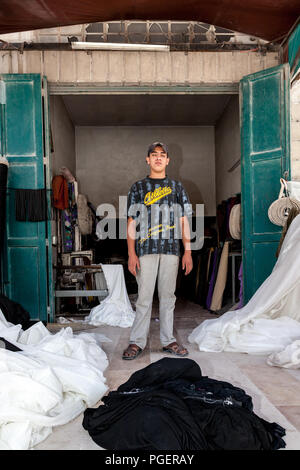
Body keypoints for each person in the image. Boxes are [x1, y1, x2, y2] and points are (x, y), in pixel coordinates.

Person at [123, 141, 193, 360]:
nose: (158, 158)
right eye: (154, 155)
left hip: (171, 250)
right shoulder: (138, 187)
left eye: (162, 155)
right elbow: (131, 222)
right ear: (148, 159)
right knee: (143, 298)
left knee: (168, 297)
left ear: (168, 160)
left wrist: (188, 251)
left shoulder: (177, 187)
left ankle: (168, 340)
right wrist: (131, 253)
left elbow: (184, 221)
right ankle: (137, 342)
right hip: (145, 249)